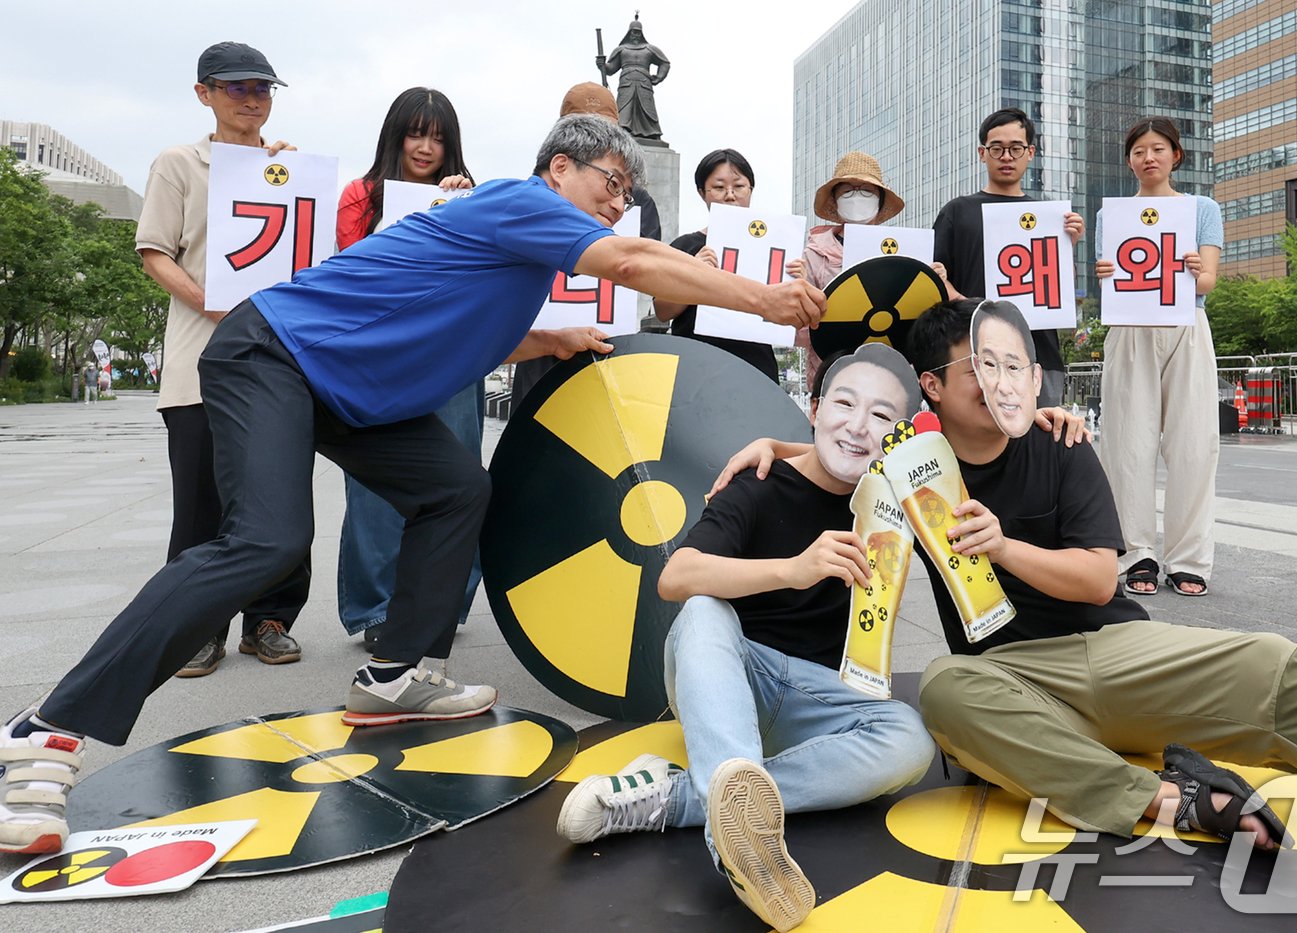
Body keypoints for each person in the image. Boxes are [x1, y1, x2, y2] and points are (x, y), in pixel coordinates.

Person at [0, 113, 825, 857]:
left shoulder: (519, 253)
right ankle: (45, 730)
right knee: (265, 542)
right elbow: (638, 262)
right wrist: (762, 297)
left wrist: (545, 341)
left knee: (456, 489)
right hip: (274, 356)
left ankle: (395, 674)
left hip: (347, 392)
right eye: (613, 181)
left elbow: (453, 319)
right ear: (559, 171)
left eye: (628, 190)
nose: (620, 201)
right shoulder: (520, 202)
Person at [720, 300, 1297, 859]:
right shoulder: (905, 464)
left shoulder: (1062, 443)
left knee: (1278, 668)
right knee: (947, 690)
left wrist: (1005, 546)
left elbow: (1099, 579)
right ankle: (1175, 799)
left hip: (1116, 654)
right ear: (933, 386)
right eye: (981, 366)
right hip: (1011, 681)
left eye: (1014, 364)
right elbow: (837, 453)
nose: (1004, 381)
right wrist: (775, 446)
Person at [557, 343, 935, 933]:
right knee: (705, 607)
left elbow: (963, 455)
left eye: (882, 416)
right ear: (814, 408)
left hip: (816, 697)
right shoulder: (758, 481)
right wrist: (792, 569)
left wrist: (1039, 418)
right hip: (731, 678)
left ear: (898, 435)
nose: (859, 425)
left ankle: (682, 797)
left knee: (910, 739)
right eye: (844, 403)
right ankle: (741, 846)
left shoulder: (891, 501)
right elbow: (676, 578)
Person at [133, 41, 307, 678]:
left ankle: (270, 620)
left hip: (276, 362)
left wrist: (292, 176)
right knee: (202, 503)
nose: (253, 99)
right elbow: (155, 253)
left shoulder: (287, 168)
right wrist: (211, 302)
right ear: (204, 93)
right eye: (237, 88)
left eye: (262, 88)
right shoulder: (180, 162)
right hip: (200, 359)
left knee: (278, 498)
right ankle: (196, 628)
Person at [335, 87, 480, 652]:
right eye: (416, 133)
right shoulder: (360, 196)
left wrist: (461, 207)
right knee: (374, 490)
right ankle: (375, 607)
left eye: (439, 137)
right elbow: (351, 272)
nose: (426, 147)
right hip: (381, 360)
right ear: (395, 135)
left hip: (454, 355)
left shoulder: (467, 197)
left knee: (462, 478)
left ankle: (446, 602)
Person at [1094, 117, 1221, 597]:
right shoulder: (1114, 216)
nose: (1148, 158)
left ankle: (1189, 558)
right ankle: (1137, 554)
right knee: (1127, 444)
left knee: (1195, 443)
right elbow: (1111, 279)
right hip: (1130, 328)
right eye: (1139, 151)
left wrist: (1194, 268)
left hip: (1187, 323)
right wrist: (1104, 270)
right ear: (1129, 160)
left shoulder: (1201, 208)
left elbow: (1207, 281)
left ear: (1176, 156)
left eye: (1158, 149)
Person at [508, 82, 662, 412]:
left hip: (609, 348)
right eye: (582, 126)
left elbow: (643, 266)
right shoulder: (532, 194)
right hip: (541, 349)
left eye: (604, 128)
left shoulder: (638, 201)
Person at [932, 107, 1085, 408]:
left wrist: (1070, 245)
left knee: (1039, 448)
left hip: (1037, 354)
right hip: (972, 352)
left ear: (1030, 153)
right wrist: (969, 305)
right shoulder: (957, 212)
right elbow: (933, 281)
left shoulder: (1051, 218)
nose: (1006, 156)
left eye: (1015, 148)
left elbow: (1063, 296)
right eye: (997, 148)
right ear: (982, 153)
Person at [653, 148, 805, 381]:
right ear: (702, 193)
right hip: (695, 366)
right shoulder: (686, 246)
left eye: (739, 186)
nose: (730, 195)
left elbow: (792, 318)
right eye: (719, 187)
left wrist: (798, 283)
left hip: (755, 367)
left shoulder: (775, 248)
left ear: (751, 190)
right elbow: (663, 312)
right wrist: (693, 274)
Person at [800, 152, 906, 388]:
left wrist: (935, 278)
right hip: (830, 374)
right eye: (847, 191)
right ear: (835, 203)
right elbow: (797, 332)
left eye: (867, 191)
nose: (857, 198)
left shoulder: (901, 251)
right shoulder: (814, 254)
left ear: (879, 204)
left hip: (887, 375)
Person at [970, 300, 1041, 438]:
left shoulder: (1065, 447)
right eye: (990, 364)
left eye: (1013, 367)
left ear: (1036, 378)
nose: (1003, 386)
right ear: (977, 369)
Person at [598, 14, 669, 140]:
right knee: (624, 109)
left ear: (641, 34)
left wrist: (658, 77)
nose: (635, 35)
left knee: (647, 109)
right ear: (629, 33)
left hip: (644, 83)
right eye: (633, 32)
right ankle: (622, 133)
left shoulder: (649, 49)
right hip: (626, 82)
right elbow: (610, 69)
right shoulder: (621, 49)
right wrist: (602, 65)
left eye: (638, 32)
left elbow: (665, 63)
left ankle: (652, 134)